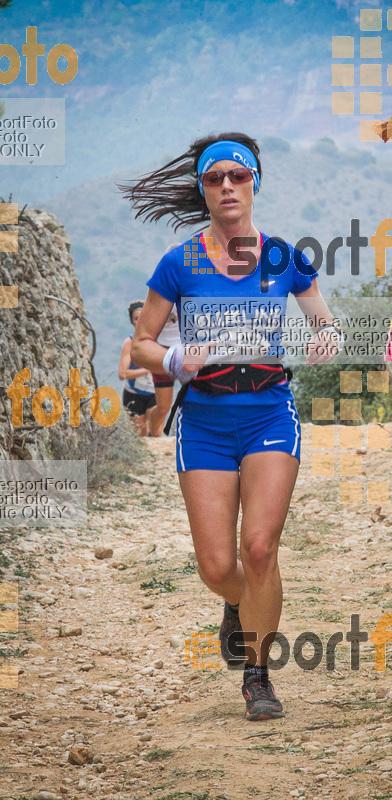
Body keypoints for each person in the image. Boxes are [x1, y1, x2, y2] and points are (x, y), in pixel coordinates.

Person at [119, 133, 343, 720]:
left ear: (254, 183)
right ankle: (239, 606)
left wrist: (324, 336)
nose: (226, 186)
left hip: (269, 409)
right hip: (206, 420)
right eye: (214, 178)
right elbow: (142, 343)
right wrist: (174, 361)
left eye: (237, 176)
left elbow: (324, 321)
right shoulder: (179, 264)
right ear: (203, 189)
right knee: (219, 568)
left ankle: (258, 677)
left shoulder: (286, 258)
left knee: (260, 548)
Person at [118, 301, 156, 437]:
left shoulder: (159, 338)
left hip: (155, 391)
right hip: (133, 393)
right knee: (141, 438)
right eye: (136, 318)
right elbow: (122, 373)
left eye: (142, 316)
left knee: (156, 432)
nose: (140, 321)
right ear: (132, 322)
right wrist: (146, 370)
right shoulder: (129, 343)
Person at [149, 305, 181, 437]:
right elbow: (151, 317)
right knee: (163, 408)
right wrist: (174, 316)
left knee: (197, 398)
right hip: (163, 351)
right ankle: (154, 436)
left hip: (190, 348)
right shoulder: (161, 290)